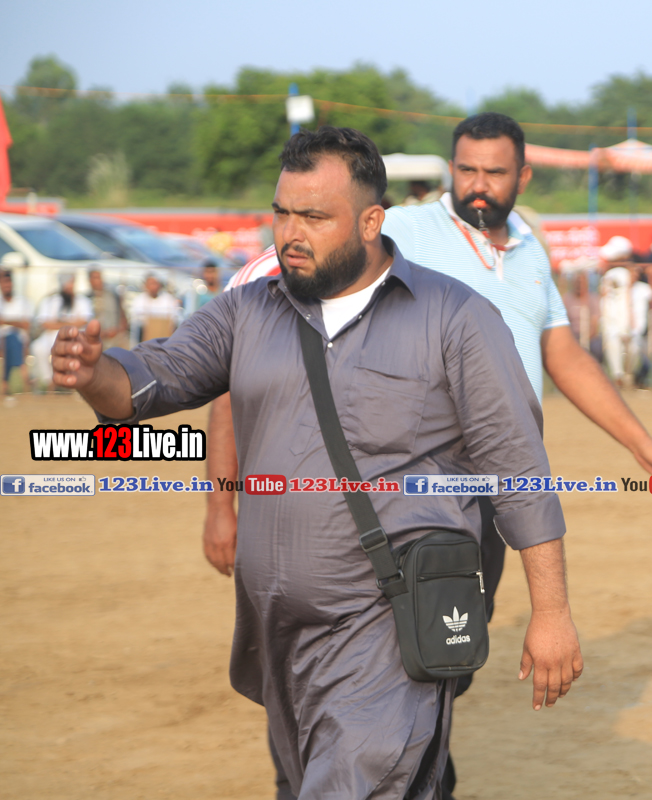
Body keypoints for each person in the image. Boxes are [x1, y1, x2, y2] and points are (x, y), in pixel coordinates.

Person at [51, 126, 583, 799]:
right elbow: (146, 385)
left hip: (389, 624)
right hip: (278, 631)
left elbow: (518, 471)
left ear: (370, 221)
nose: (290, 234)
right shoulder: (247, 311)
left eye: (313, 216)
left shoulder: (456, 318)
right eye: (281, 212)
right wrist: (93, 372)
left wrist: (551, 612)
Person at [205, 113, 652, 797]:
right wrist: (221, 500)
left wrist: (640, 442)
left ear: (523, 177)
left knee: (438, 653)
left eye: (494, 172)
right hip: (394, 499)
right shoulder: (401, 230)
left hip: (489, 503)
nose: (478, 184)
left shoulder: (529, 251)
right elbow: (257, 318)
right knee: (398, 658)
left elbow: (560, 351)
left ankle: (410, 774)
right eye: (466, 170)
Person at [31, 272, 93, 390]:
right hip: (51, 336)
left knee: (74, 349)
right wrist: (69, 323)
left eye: (71, 283)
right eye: (66, 283)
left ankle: (72, 383)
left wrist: (59, 323)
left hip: (74, 335)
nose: (69, 286)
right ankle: (50, 382)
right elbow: (45, 323)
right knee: (38, 347)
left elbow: (84, 321)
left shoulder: (82, 300)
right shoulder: (50, 300)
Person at [598, 236, 634, 386]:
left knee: (628, 347)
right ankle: (619, 377)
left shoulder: (622, 274)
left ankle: (625, 377)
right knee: (613, 344)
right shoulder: (613, 273)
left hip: (621, 319)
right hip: (612, 319)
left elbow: (625, 302)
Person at [0, 269, 33, 396]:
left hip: (18, 340)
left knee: (12, 340)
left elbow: (26, 324)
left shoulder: (22, 302)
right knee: (9, 341)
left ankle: (5, 384)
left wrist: (6, 321)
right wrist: (15, 322)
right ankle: (26, 380)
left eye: (8, 282)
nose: (6, 286)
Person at [87, 268, 130, 351]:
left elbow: (122, 315)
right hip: (98, 338)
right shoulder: (88, 298)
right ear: (90, 280)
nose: (99, 280)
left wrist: (119, 329)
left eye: (99, 277)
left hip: (116, 336)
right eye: (95, 278)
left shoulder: (112, 294)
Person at [129, 273, 180, 342]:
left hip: (164, 337)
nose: (153, 287)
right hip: (144, 338)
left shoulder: (168, 299)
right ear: (146, 285)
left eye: (155, 284)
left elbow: (175, 318)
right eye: (151, 284)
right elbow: (135, 320)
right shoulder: (139, 300)